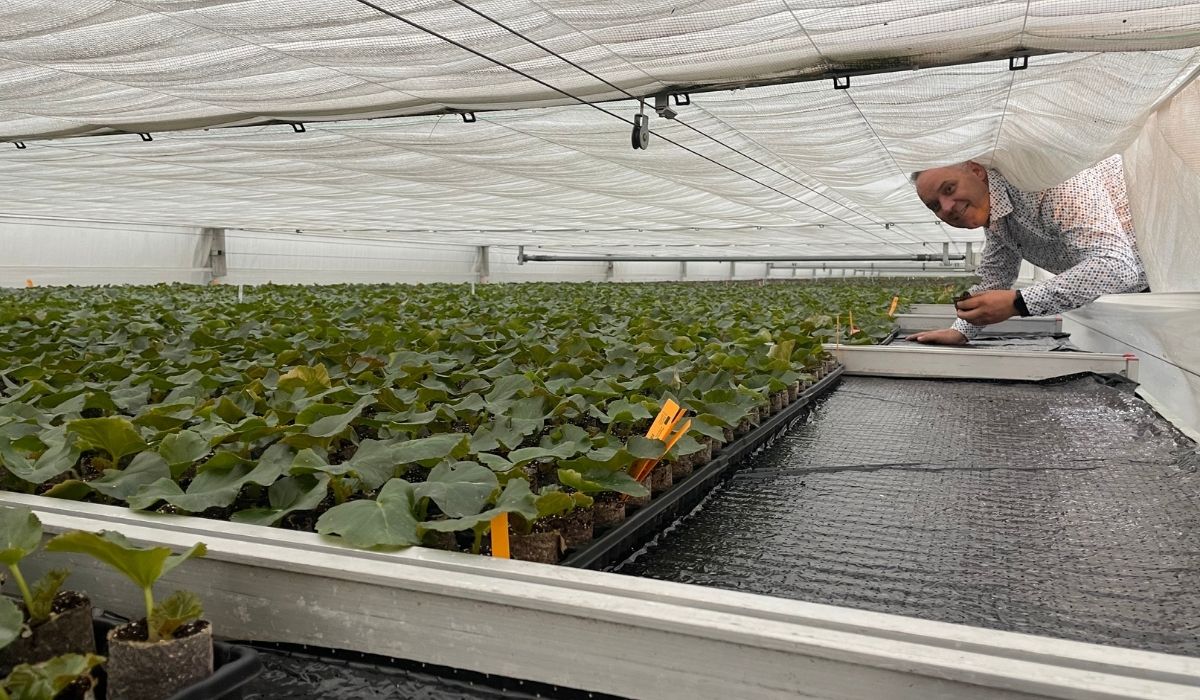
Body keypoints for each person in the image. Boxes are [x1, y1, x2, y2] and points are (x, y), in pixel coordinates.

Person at [907, 155, 1147, 344]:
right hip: (1141, 296)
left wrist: (1018, 303)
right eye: (935, 205)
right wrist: (960, 331)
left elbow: (1116, 267)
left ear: (976, 171)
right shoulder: (998, 219)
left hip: (1170, 282)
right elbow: (995, 278)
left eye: (949, 189)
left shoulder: (1045, 183)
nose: (947, 208)